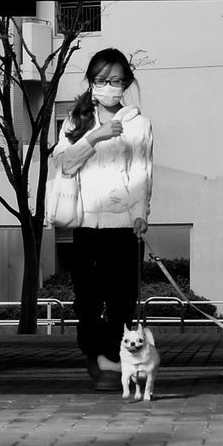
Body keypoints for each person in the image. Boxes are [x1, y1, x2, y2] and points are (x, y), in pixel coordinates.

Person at [50, 48, 154, 390]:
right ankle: (96, 358)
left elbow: (142, 173)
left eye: (115, 80)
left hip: (124, 227)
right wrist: (94, 136)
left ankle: (114, 360)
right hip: (87, 227)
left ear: (126, 81)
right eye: (100, 80)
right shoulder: (76, 119)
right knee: (88, 299)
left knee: (122, 299)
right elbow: (63, 163)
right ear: (91, 82)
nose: (108, 86)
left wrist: (140, 214)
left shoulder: (138, 123)